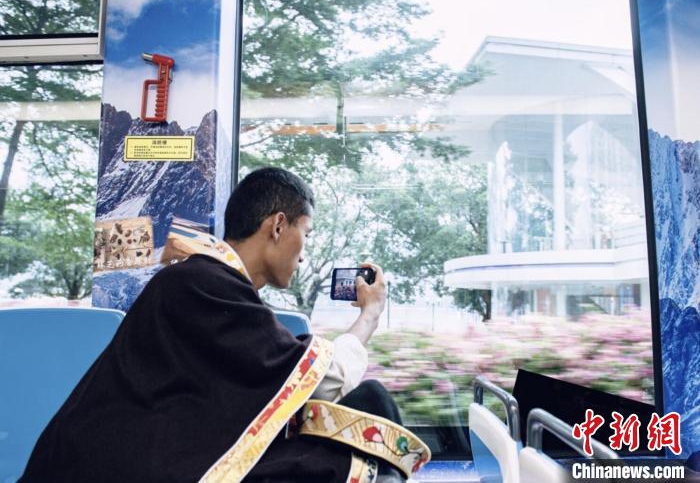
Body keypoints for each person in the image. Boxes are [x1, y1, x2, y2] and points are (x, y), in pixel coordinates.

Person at [20, 167, 428, 483]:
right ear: (278, 225)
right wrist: (370, 314)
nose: (304, 254)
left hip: (149, 454)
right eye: (306, 233)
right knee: (367, 416)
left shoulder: (203, 282)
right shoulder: (205, 285)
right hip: (137, 465)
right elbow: (322, 381)